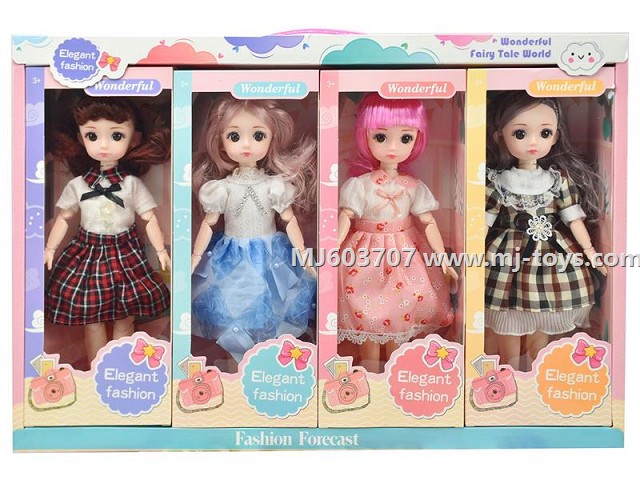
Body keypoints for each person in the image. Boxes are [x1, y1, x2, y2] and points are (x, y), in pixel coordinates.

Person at [485, 91, 607, 371]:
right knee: (507, 318)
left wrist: (590, 252)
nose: (533, 142)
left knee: (543, 316)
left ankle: (535, 373)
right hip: (508, 253)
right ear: (499, 137)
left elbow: (573, 218)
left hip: (552, 252)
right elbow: (484, 223)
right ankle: (508, 371)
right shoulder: (499, 182)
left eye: (544, 133)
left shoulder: (557, 180)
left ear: (555, 137)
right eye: (520, 133)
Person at [190, 96, 317, 365]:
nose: (246, 145)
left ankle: (265, 371)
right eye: (234, 136)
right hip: (232, 259)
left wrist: (303, 253)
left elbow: (289, 220)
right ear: (220, 141)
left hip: (271, 257)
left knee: (272, 312)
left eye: (258, 135)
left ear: (272, 139)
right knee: (233, 314)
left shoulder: (274, 185)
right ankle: (236, 374)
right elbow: (209, 223)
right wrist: (195, 257)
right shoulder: (221, 188)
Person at [45, 96, 171, 362]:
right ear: (80, 138)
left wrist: (161, 250)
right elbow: (64, 218)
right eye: (92, 135)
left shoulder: (131, 184)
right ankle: (96, 370)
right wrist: (50, 248)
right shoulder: (79, 185)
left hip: (125, 253)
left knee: (125, 316)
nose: (103, 145)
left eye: (116, 136)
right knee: (92, 319)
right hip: (87, 252)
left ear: (134, 139)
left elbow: (149, 218)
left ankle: (119, 367)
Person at [337, 92, 457, 373]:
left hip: (405, 252)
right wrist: (331, 249)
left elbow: (428, 221)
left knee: (400, 312)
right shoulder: (360, 184)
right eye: (381, 137)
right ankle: (368, 372)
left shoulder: (412, 185)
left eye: (405, 138)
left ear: (417, 139)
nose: (393, 147)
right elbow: (346, 217)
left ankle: (394, 372)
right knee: (366, 313)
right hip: (365, 254)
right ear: (365, 136)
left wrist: (442, 258)